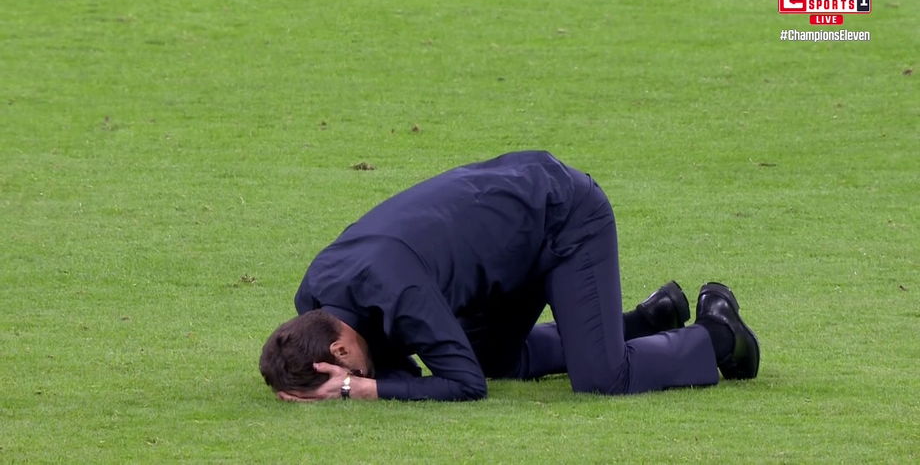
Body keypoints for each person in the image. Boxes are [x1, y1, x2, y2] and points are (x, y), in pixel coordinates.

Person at [259, 151, 760, 402]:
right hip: (507, 234)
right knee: (493, 358)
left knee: (603, 378)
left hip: (563, 216)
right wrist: (357, 379)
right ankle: (645, 322)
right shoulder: (314, 296)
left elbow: (465, 384)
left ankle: (718, 335)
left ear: (339, 350)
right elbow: (410, 370)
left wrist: (359, 389)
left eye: (346, 373)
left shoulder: (398, 289)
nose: (352, 380)